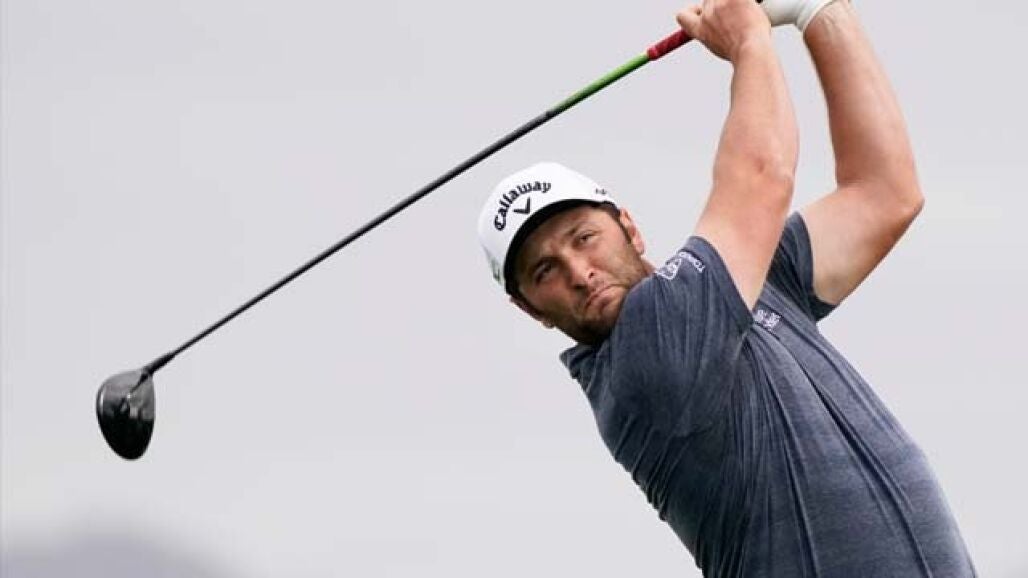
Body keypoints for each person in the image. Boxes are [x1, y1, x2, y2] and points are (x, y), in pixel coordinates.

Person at [476, 0, 977, 575]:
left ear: (629, 228)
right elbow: (762, 176)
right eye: (544, 270)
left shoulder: (735, 290)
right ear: (529, 309)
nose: (577, 270)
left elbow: (885, 192)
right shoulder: (644, 357)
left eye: (584, 237)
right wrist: (748, 40)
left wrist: (818, 12)